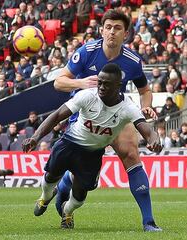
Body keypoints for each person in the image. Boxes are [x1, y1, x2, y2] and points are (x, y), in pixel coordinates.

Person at [53, 10, 160, 231]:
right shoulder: (86, 52)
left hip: (116, 115)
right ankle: (64, 185)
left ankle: (148, 221)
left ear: (126, 34)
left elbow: (145, 90)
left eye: (117, 28)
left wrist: (146, 106)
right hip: (87, 117)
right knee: (82, 179)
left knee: (131, 154)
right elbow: (59, 82)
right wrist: (81, 83)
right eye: (108, 27)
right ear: (102, 30)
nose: (112, 32)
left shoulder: (132, 61)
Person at [22, 63, 162, 230]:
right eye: (100, 82)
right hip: (68, 144)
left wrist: (154, 140)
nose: (101, 87)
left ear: (118, 86)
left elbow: (146, 129)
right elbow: (57, 115)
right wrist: (35, 138)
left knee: (80, 195)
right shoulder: (87, 95)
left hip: (92, 155)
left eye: (106, 84)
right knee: (51, 176)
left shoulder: (128, 107)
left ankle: (67, 211)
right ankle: (45, 196)